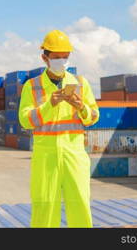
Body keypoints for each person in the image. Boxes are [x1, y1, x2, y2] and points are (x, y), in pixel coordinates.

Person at [19, 29, 100, 228]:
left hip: (75, 155)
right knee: (44, 206)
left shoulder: (80, 84)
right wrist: (49, 105)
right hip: (46, 157)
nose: (62, 62)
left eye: (65, 57)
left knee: (80, 205)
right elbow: (25, 120)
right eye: (56, 57)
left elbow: (94, 117)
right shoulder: (32, 86)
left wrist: (81, 106)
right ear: (44, 58)